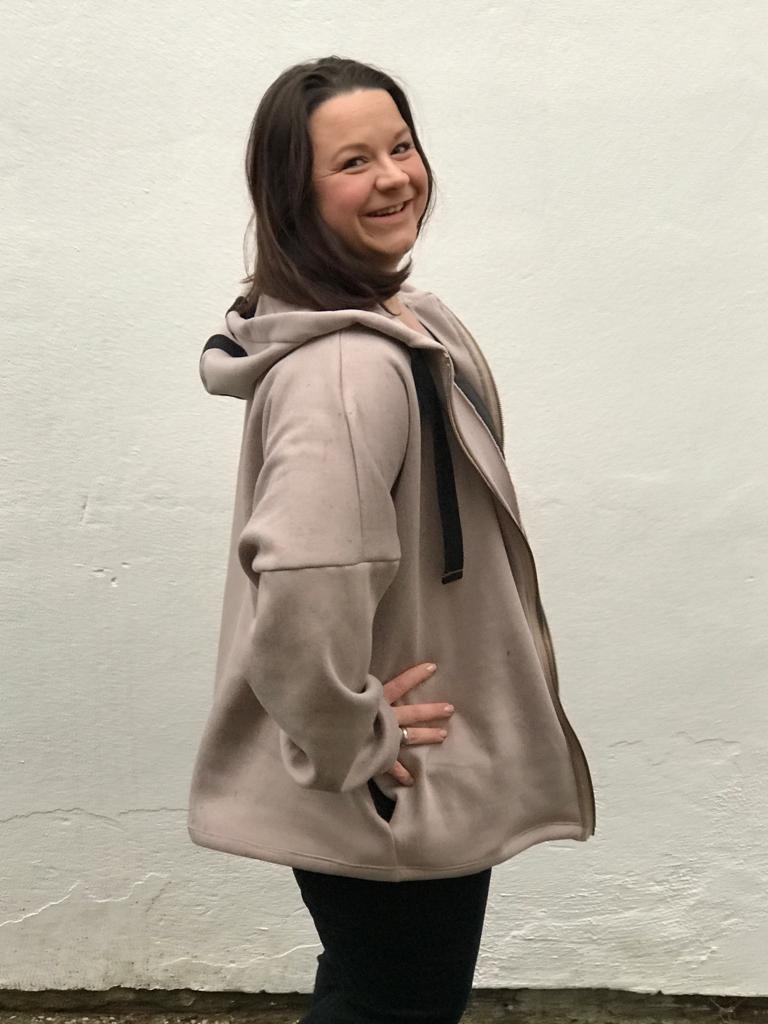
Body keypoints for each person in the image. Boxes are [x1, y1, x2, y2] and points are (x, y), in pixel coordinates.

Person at [187, 55, 596, 1024]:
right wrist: (353, 735)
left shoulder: (405, 325)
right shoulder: (350, 370)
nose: (394, 178)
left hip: (396, 780)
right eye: (352, 162)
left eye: (401, 147)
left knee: (373, 989)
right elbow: (304, 579)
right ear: (293, 194)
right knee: (395, 1004)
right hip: (391, 785)